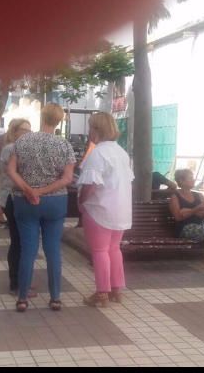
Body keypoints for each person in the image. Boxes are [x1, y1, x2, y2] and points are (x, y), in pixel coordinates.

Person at [7, 103, 76, 312]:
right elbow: (67, 178)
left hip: (24, 202)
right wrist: (44, 191)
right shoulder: (64, 145)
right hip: (55, 202)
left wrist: (30, 190)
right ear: (59, 120)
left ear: (42, 116)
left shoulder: (23, 141)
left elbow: (11, 171)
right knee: (53, 249)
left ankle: (22, 298)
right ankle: (55, 297)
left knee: (28, 250)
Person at [77, 112, 134, 307]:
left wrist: (81, 201)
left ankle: (102, 292)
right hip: (121, 209)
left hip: (100, 208)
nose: (89, 130)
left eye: (91, 126)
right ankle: (116, 289)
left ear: (97, 129)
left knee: (100, 250)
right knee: (114, 249)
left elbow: (90, 184)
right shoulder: (121, 153)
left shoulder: (98, 153)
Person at [0, 118, 37, 297]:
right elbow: (17, 174)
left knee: (21, 242)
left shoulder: (18, 148)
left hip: (16, 198)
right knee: (19, 243)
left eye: (30, 130)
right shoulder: (11, 149)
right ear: (14, 131)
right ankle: (17, 283)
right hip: (13, 198)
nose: (28, 133)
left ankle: (21, 281)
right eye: (24, 130)